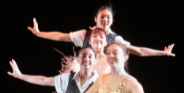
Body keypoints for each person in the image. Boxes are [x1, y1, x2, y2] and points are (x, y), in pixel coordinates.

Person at [28, 7, 174, 57]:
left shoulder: (116, 39)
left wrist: (162, 52)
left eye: (108, 17)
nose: (105, 19)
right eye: (102, 16)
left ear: (112, 21)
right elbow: (61, 36)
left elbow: (139, 51)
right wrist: (39, 33)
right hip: (87, 74)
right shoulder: (85, 34)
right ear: (95, 19)